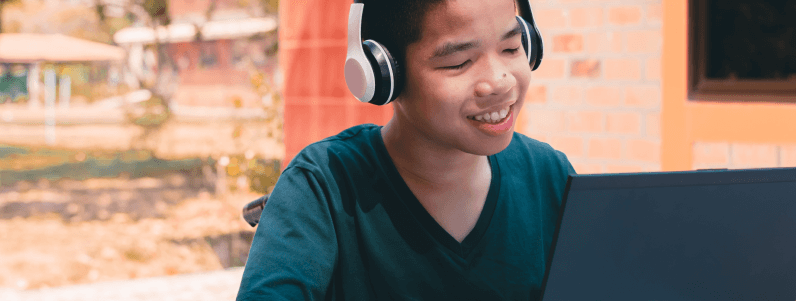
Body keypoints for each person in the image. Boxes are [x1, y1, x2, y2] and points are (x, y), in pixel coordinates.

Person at [236, 0, 575, 299]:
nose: (500, 81)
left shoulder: (550, 176)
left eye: (512, 48)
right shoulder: (322, 186)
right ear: (382, 74)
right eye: (459, 62)